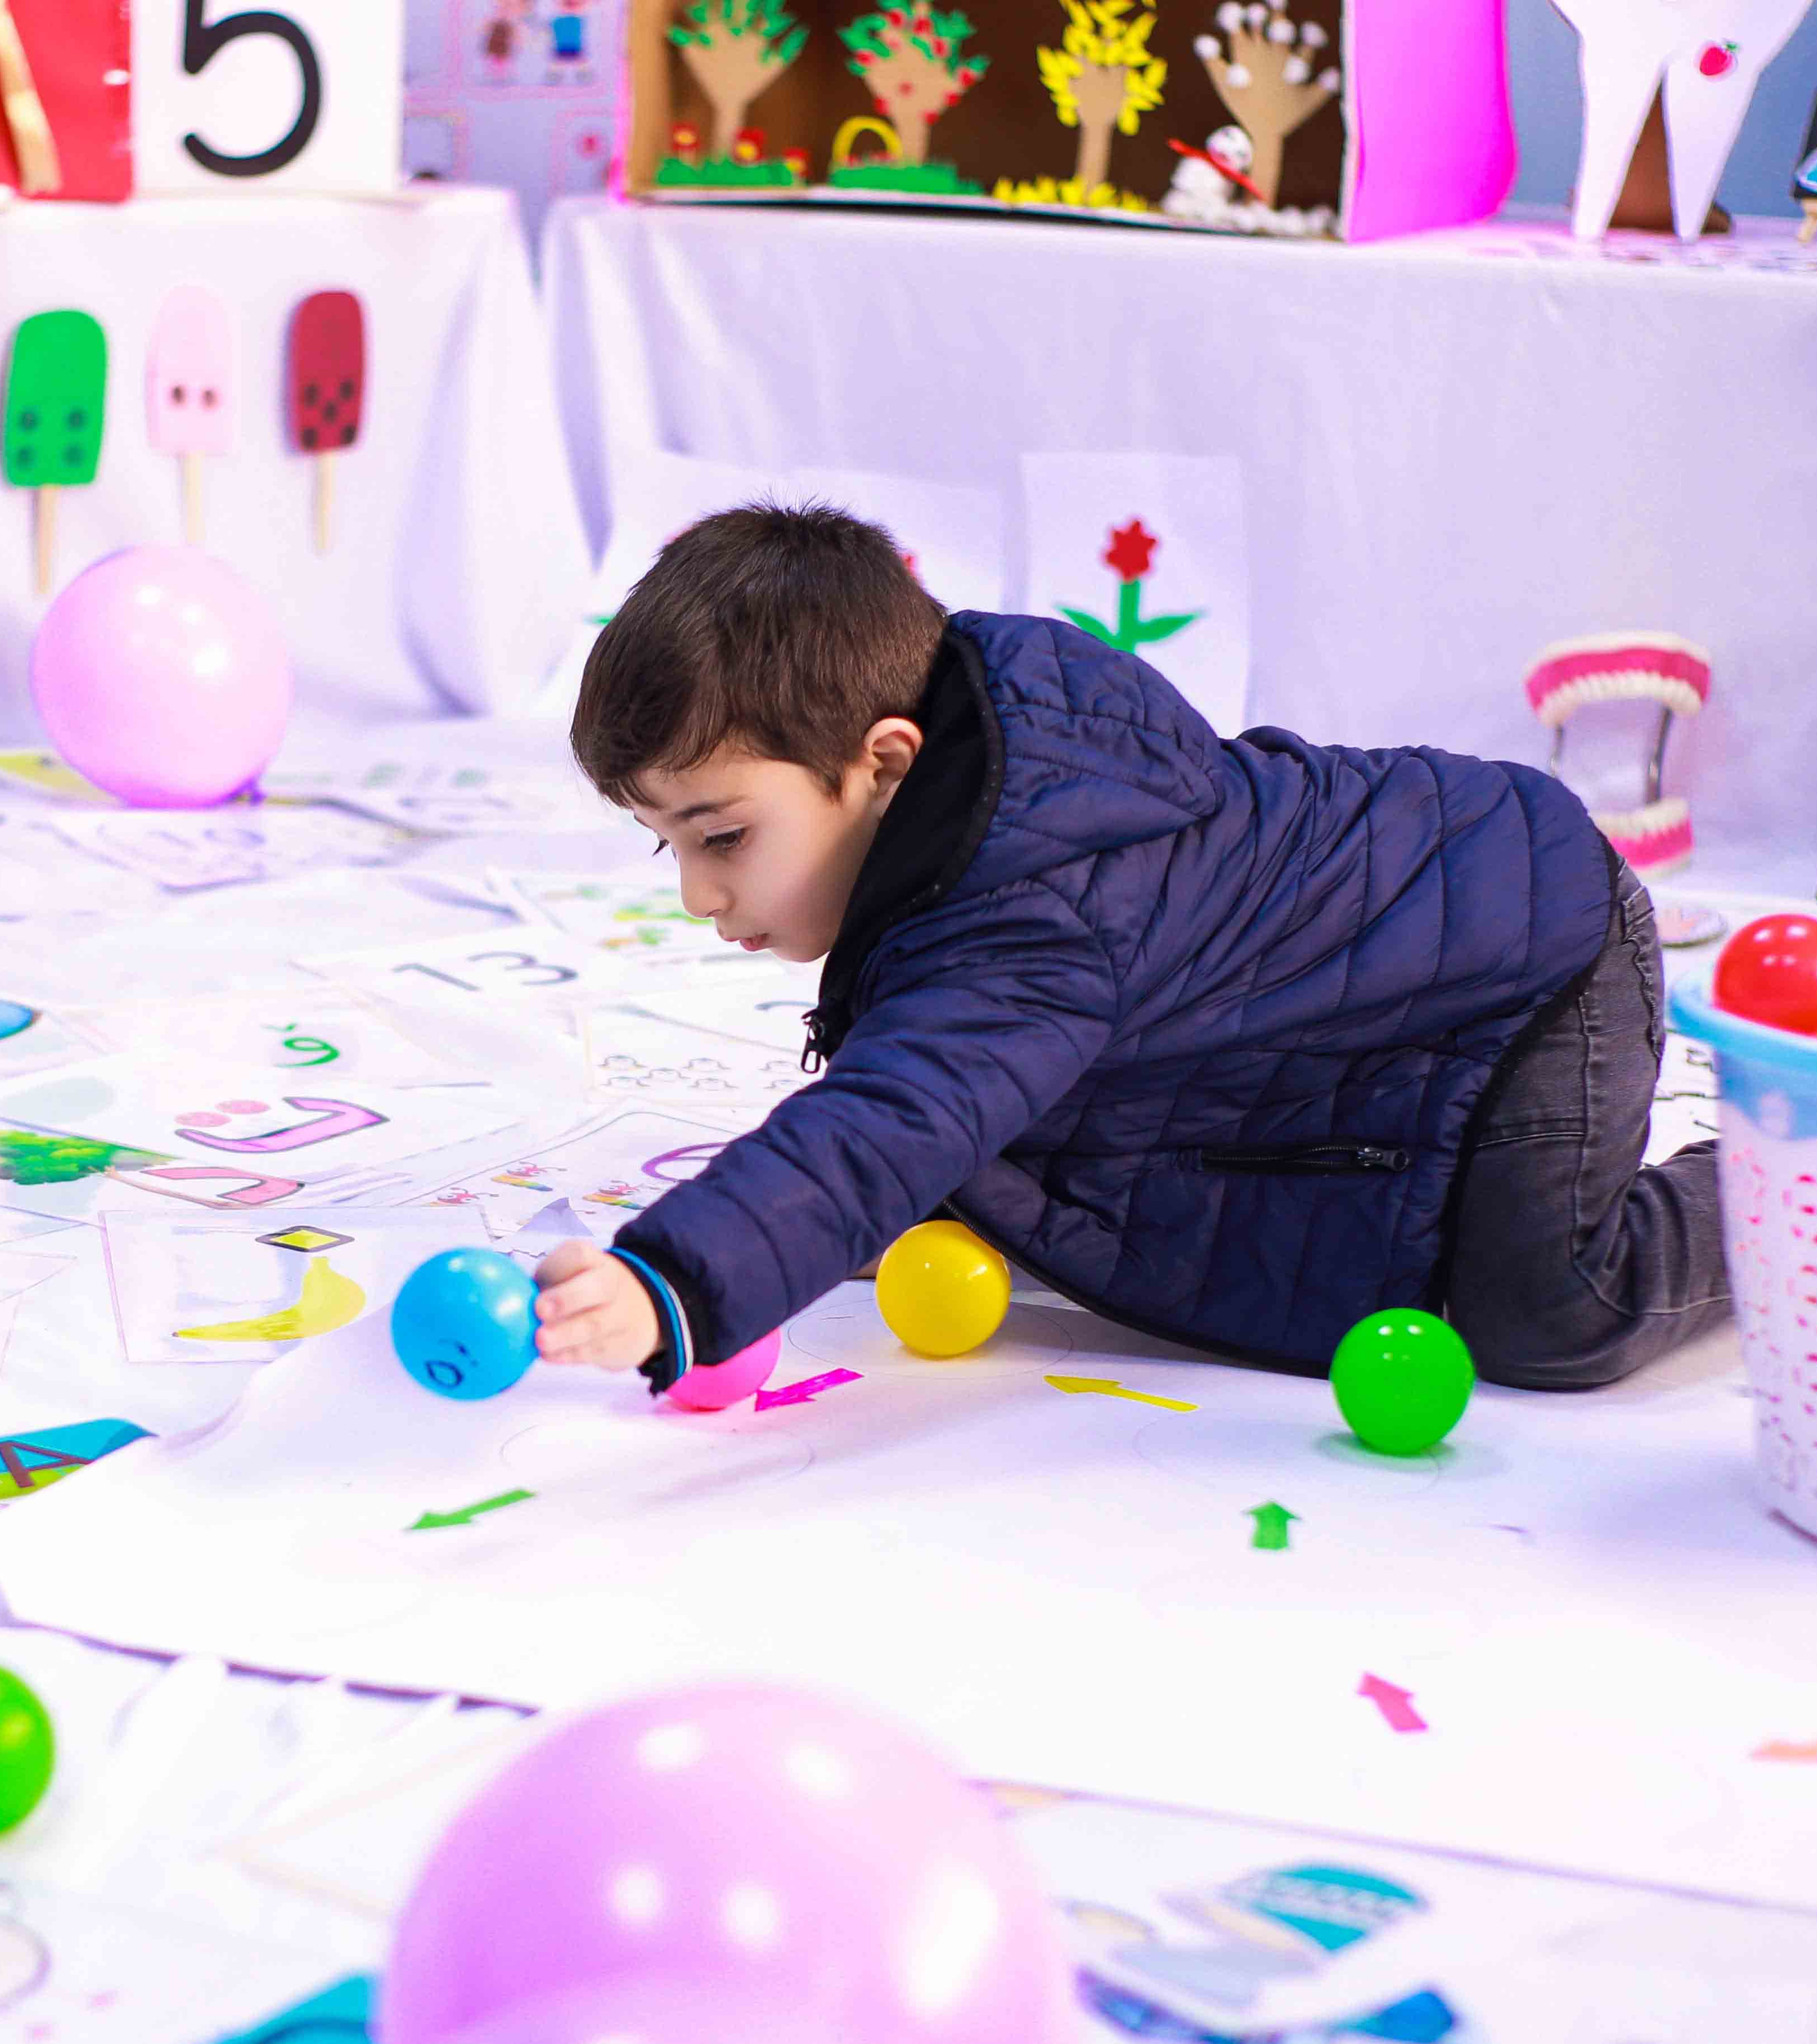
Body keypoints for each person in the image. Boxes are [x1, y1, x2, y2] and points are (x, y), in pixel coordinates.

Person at [531, 504, 1729, 1395]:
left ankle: (1784, 1192)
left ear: (886, 762)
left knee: (1554, 1313)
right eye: (665, 845)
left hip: (1538, 954)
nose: (698, 896)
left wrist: (677, 1279)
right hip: (1394, 957)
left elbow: (895, 1118)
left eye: (724, 837)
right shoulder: (972, 807)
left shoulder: (1039, 912)